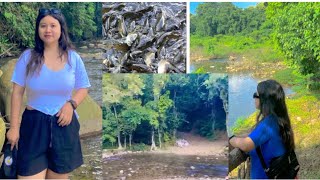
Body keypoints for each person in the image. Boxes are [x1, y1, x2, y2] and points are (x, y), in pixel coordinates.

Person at [6, 8, 91, 179]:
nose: (48, 30)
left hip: (64, 125)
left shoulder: (73, 58)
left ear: (61, 29)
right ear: (38, 29)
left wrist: (71, 104)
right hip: (33, 125)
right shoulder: (27, 57)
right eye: (43, 25)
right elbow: (17, 93)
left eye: (53, 25)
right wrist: (14, 128)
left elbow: (83, 87)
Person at [229, 79, 295, 179]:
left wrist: (231, 139)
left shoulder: (267, 125)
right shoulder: (278, 119)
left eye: (256, 94)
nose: (254, 97)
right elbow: (255, 137)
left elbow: (245, 145)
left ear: (265, 100)